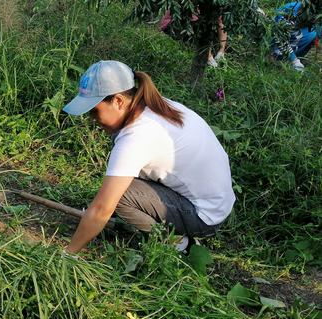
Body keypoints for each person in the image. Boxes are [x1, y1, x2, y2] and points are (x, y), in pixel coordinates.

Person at [62, 61, 235, 254]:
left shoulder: (137, 136)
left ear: (118, 101)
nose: (91, 120)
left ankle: (175, 244)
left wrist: (68, 254)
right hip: (217, 202)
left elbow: (102, 208)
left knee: (119, 197)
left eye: (94, 111)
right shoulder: (154, 106)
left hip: (204, 216)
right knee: (117, 184)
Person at [272, 1, 320, 71]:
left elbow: (317, 36)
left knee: (313, 34)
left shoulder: (316, 15)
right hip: (276, 43)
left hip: (294, 42)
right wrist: (294, 60)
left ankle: (298, 58)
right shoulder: (289, 11)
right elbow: (279, 37)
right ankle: (277, 57)